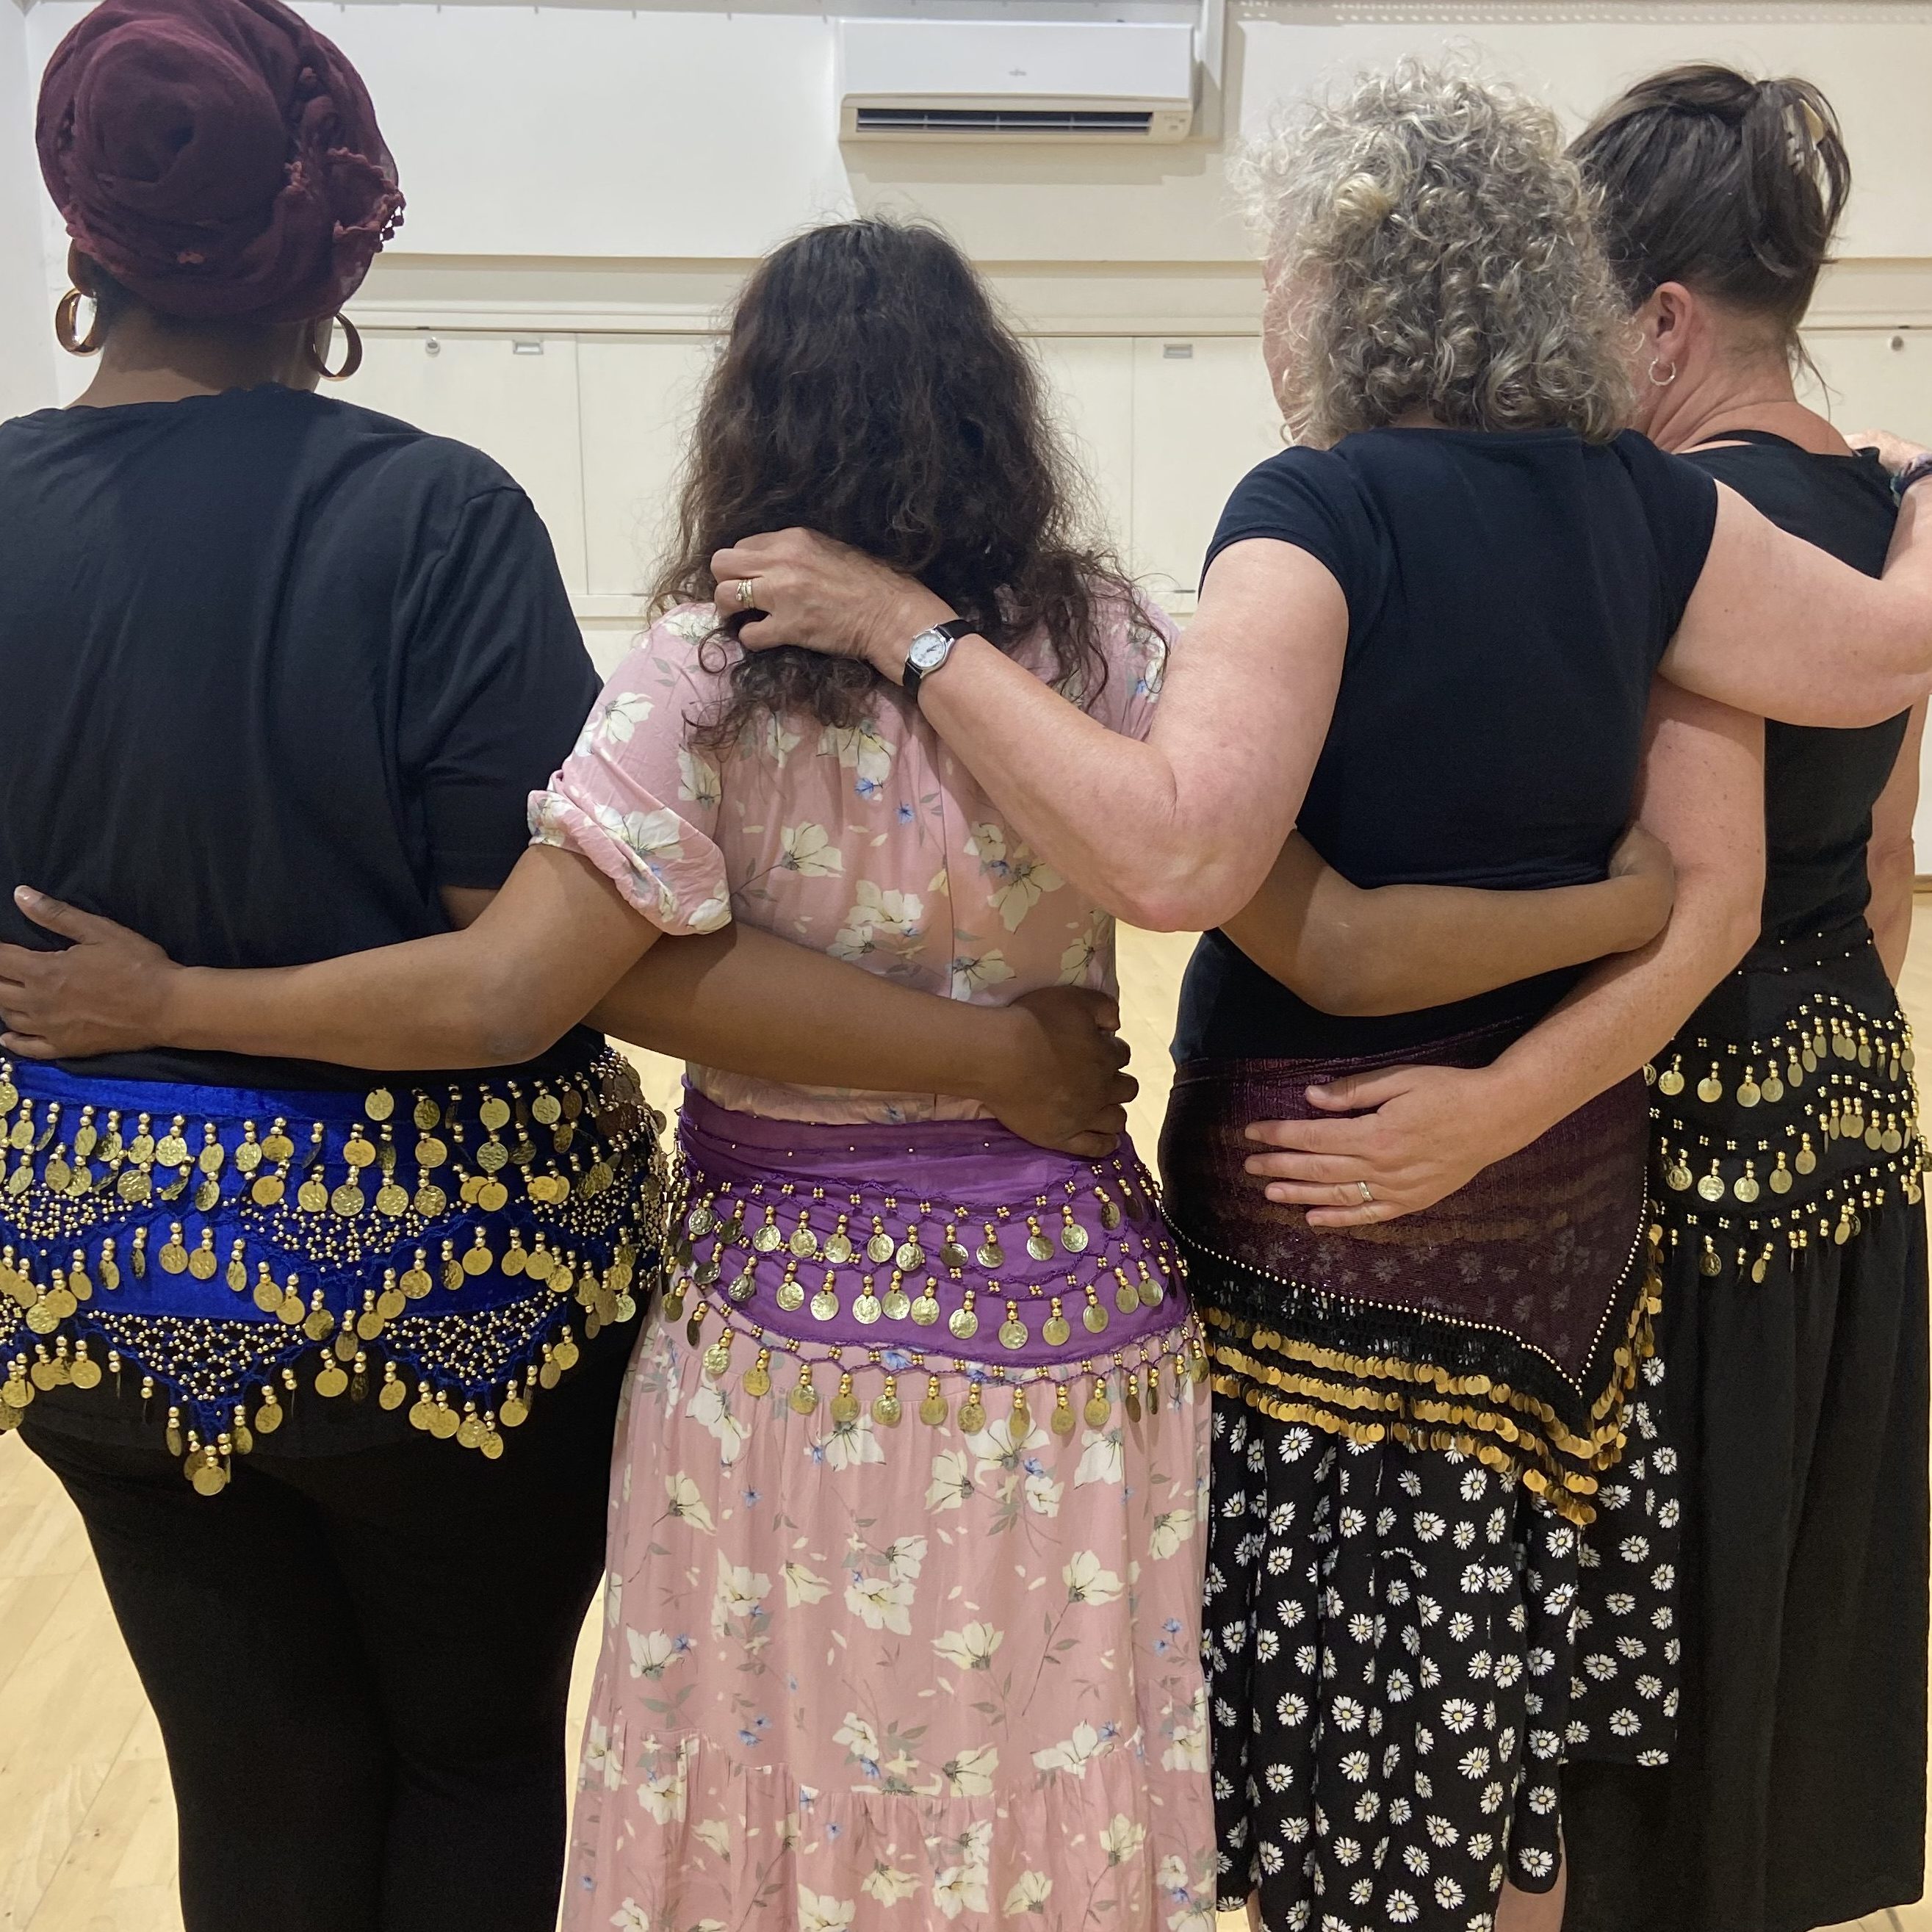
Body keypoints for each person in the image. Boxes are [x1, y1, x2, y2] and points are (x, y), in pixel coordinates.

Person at [0, 209, 1687, 1931]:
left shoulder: (701, 670)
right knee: (1038, 1811)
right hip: (1075, 1335)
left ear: (749, 420)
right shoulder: (1106, 649)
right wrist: (1630, 899)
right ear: (992, 411)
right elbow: (1330, 942)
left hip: (781, 1348)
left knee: (770, 1796)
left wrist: (172, 992)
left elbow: (526, 987)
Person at [646, 66, 1932, 1932]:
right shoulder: (1643, 506)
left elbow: (1178, 856)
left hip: (1329, 1210)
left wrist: (908, 631)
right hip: (1563, 1211)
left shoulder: (1316, 509)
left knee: (1340, 1775)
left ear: (1344, 284)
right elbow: (1872, 669)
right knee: (1503, 1759)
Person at [0, 10, 1151, 1931]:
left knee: (253, 1779)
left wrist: (140, 1011)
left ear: (80, 242)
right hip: (447, 1297)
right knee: (469, 1758)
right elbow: (523, 975)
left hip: (95, 1277)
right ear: (335, 245)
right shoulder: (431, 516)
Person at [1533, 68, 1926, 1932]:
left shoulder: (1681, 525)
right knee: (1793, 1567)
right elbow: (1886, 855)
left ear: (1666, 322)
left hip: (1678, 1110)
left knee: (1656, 1597)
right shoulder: (1875, 503)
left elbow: (1696, 882)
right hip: (1849, 1086)